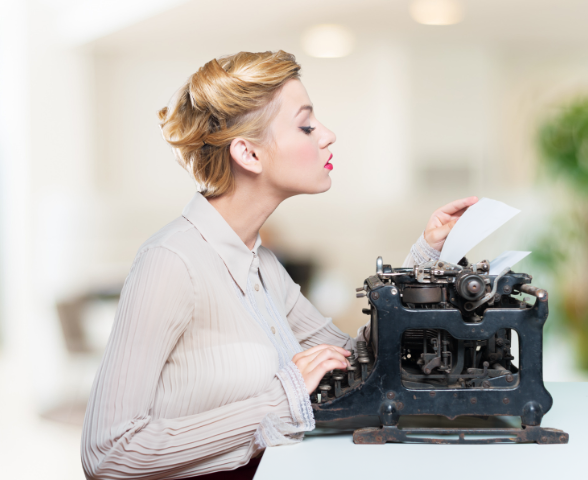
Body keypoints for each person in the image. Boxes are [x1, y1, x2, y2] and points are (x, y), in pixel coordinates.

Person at [80, 50, 478, 480]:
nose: (327, 136)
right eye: (306, 125)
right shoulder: (171, 263)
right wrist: (281, 399)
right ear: (248, 154)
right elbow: (107, 452)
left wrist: (425, 256)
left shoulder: (262, 264)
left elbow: (360, 360)